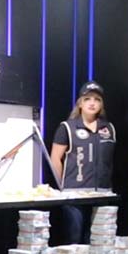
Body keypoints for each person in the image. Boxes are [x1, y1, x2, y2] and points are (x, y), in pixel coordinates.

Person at [49, 80, 117, 244]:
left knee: (99, 242)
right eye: (87, 99)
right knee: (75, 241)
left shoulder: (109, 128)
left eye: (97, 99)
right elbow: (55, 158)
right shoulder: (67, 127)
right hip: (75, 195)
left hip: (102, 195)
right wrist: (62, 187)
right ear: (80, 103)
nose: (92, 103)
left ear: (101, 104)